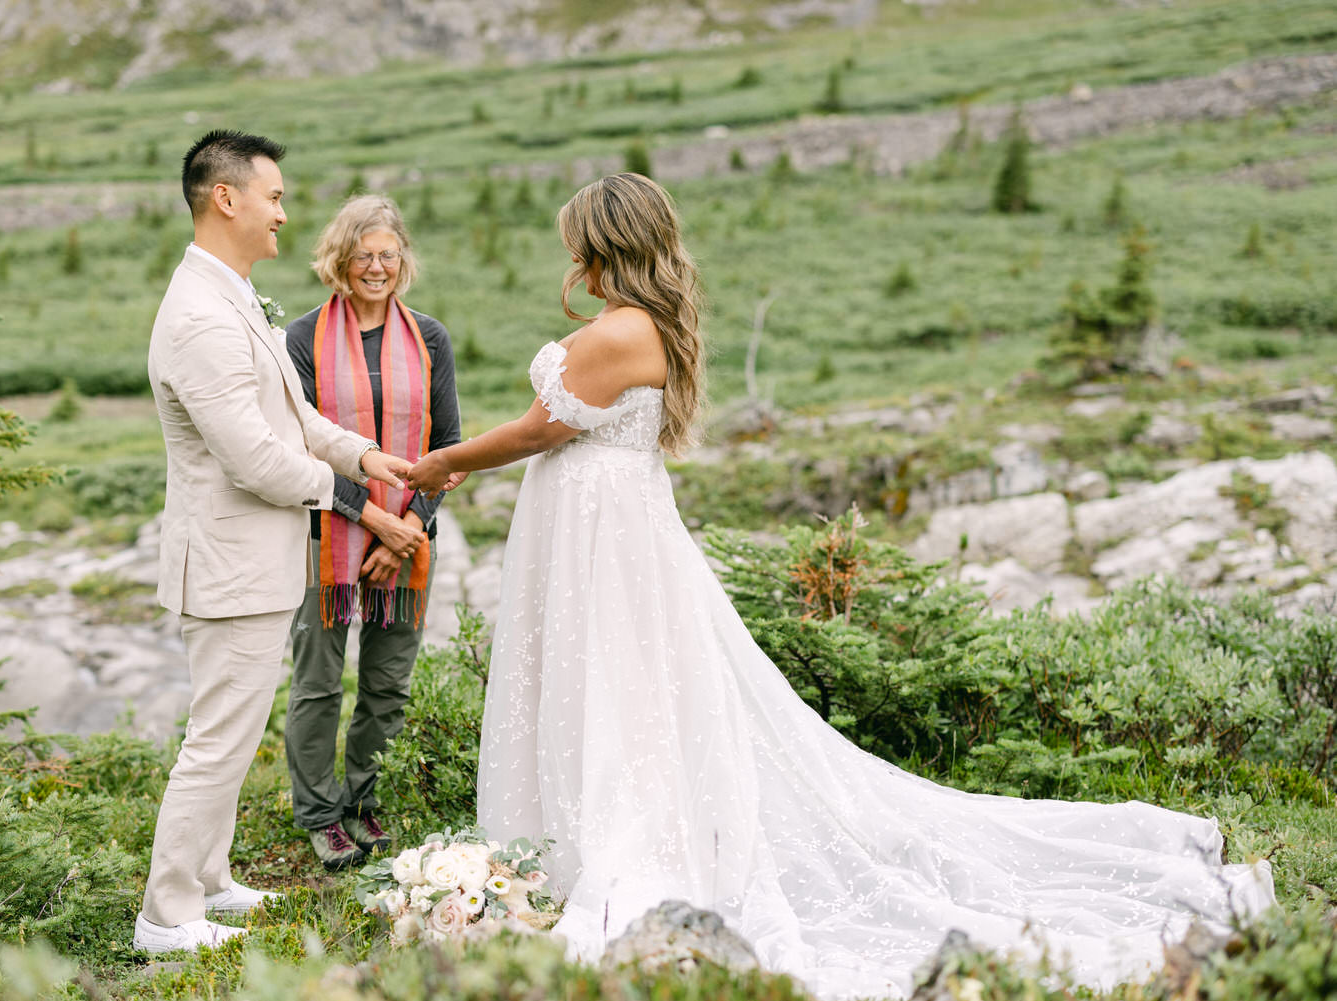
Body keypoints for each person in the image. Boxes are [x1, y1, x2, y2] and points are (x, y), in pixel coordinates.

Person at [404, 173, 1276, 1000]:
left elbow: (535, 429)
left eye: (579, 245)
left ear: (607, 245)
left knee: (621, 678)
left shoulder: (620, 331)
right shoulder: (645, 324)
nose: (573, 261)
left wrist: (445, 461)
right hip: (609, 519)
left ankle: (621, 842)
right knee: (627, 681)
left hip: (605, 528)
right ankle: (585, 833)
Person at [136, 130, 412, 954]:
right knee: (218, 738)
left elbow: (293, 420)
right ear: (228, 198)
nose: (285, 214)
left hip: (252, 566)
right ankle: (166, 913)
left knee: (234, 728)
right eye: (277, 196)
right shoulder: (196, 316)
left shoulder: (231, 296)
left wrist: (361, 451)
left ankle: (211, 879)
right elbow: (254, 457)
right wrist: (358, 502)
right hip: (225, 565)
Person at [281, 194, 461, 871]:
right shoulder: (300, 340)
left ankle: (363, 801)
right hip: (325, 534)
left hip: (408, 538)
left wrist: (408, 528)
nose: (376, 267)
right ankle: (321, 816)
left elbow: (448, 444)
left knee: (387, 685)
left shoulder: (431, 337)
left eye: (388, 254)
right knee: (319, 682)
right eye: (364, 255)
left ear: (403, 260)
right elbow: (301, 445)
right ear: (339, 259)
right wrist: (373, 518)